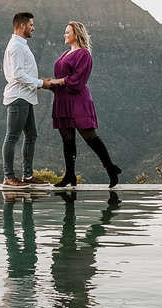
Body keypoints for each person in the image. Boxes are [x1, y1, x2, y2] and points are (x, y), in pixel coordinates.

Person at [46, 21, 121, 188]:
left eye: (68, 32)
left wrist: (57, 81)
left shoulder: (84, 54)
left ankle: (110, 168)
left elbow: (78, 80)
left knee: (90, 137)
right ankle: (70, 175)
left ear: (76, 34)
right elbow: (59, 77)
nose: (65, 34)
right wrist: (48, 84)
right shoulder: (65, 54)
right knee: (67, 139)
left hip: (77, 100)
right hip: (62, 100)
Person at [2, 12, 52, 188]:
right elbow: (18, 74)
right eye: (31, 25)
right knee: (12, 137)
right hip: (18, 97)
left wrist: (40, 82)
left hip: (25, 97)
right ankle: (9, 177)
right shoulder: (17, 46)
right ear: (22, 26)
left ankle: (28, 176)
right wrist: (40, 83)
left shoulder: (20, 44)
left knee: (31, 135)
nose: (33, 28)